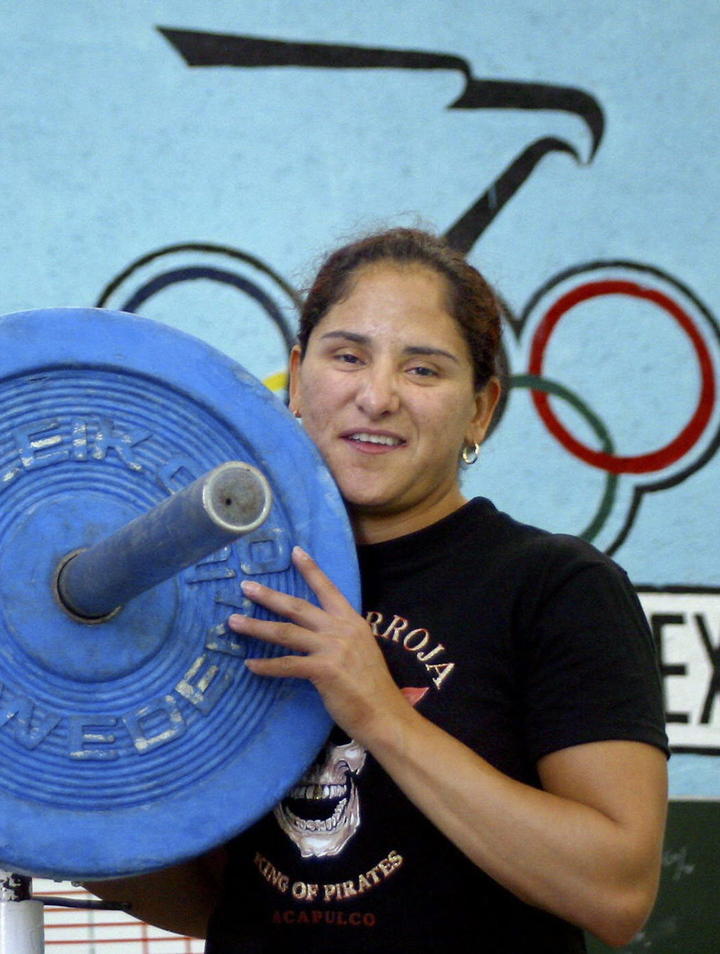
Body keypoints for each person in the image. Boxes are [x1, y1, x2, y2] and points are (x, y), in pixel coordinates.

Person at [92, 227, 668, 952]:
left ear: (481, 408)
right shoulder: (224, 582)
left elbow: (616, 894)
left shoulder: (555, 587)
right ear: (298, 379)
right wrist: (81, 827)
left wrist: (380, 713)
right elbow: (221, 901)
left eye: (424, 371)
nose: (377, 396)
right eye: (347, 356)